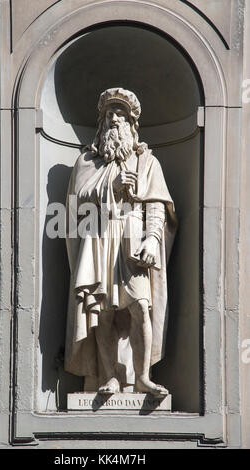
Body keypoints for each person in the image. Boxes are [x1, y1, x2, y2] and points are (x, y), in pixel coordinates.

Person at [64, 88, 177, 396]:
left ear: (131, 124)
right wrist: (111, 187)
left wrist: (153, 238)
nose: (114, 119)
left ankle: (142, 376)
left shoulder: (147, 162)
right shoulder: (87, 162)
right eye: (109, 114)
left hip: (132, 239)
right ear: (101, 124)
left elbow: (156, 204)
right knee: (102, 311)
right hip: (99, 236)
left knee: (140, 306)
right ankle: (110, 375)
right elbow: (77, 204)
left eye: (121, 115)